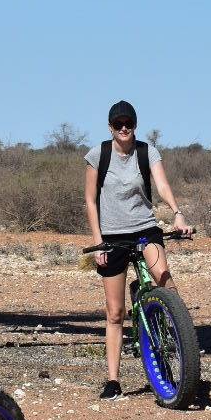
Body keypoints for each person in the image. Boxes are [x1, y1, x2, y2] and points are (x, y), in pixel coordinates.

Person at [84, 100, 194, 400]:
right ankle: (113, 380)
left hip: (145, 228)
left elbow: (162, 185)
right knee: (116, 312)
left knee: (164, 279)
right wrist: (98, 243)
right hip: (112, 235)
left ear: (135, 125)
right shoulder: (99, 155)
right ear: (110, 126)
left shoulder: (147, 152)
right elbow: (91, 201)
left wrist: (177, 213)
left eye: (128, 124)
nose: (123, 129)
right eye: (118, 124)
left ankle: (179, 335)